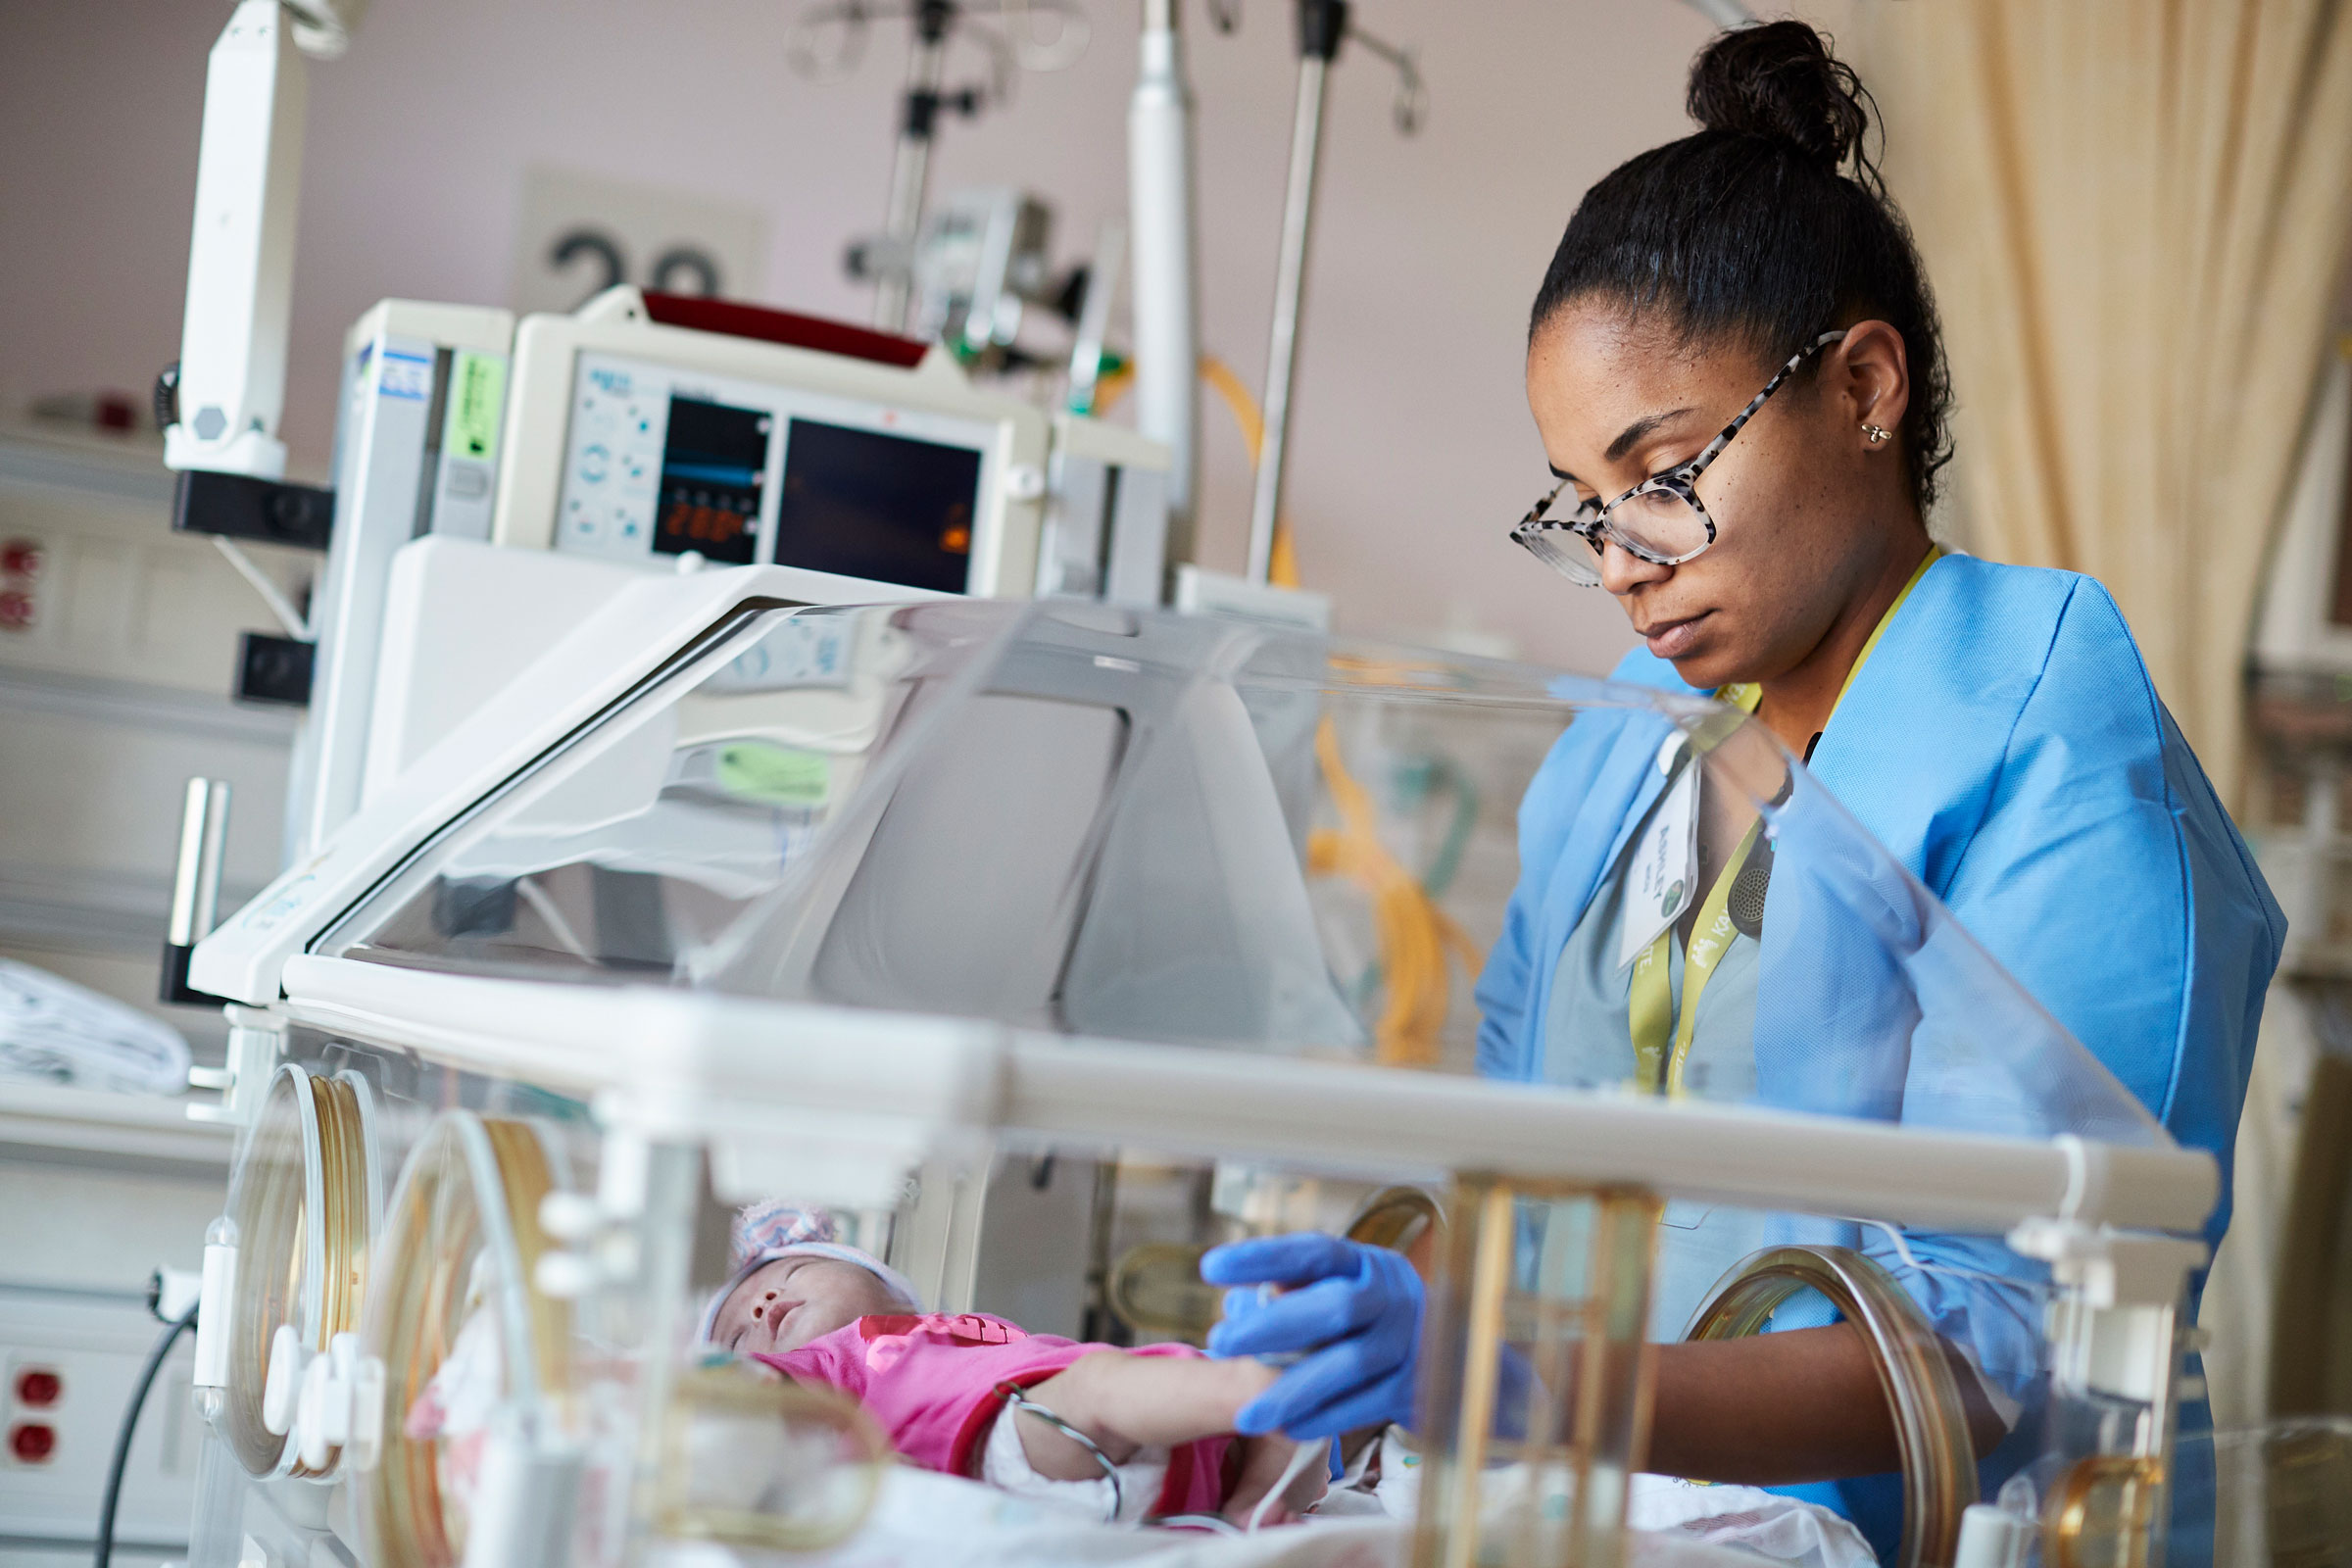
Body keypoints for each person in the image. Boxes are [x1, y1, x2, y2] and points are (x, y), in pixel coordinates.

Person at [1199, 20, 2284, 1559]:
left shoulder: (2051, 743)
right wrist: (1327, 1346)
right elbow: (1516, 1137)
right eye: (1582, 505)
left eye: (1665, 473)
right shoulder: (1635, 733)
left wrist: (1517, 1385)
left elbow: (2006, 1340)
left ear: (1864, 386)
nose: (1624, 560)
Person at [702, 1202, 1325, 1528]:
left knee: (1246, 1420)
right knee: (1104, 1384)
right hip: (992, 1446)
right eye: (737, 1332)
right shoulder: (826, 1367)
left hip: (1147, 1444)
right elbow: (744, 1392)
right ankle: (1263, 1385)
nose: (763, 1303)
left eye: (796, 1272)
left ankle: (1255, 1492)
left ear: (890, 1288)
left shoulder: (944, 1333)